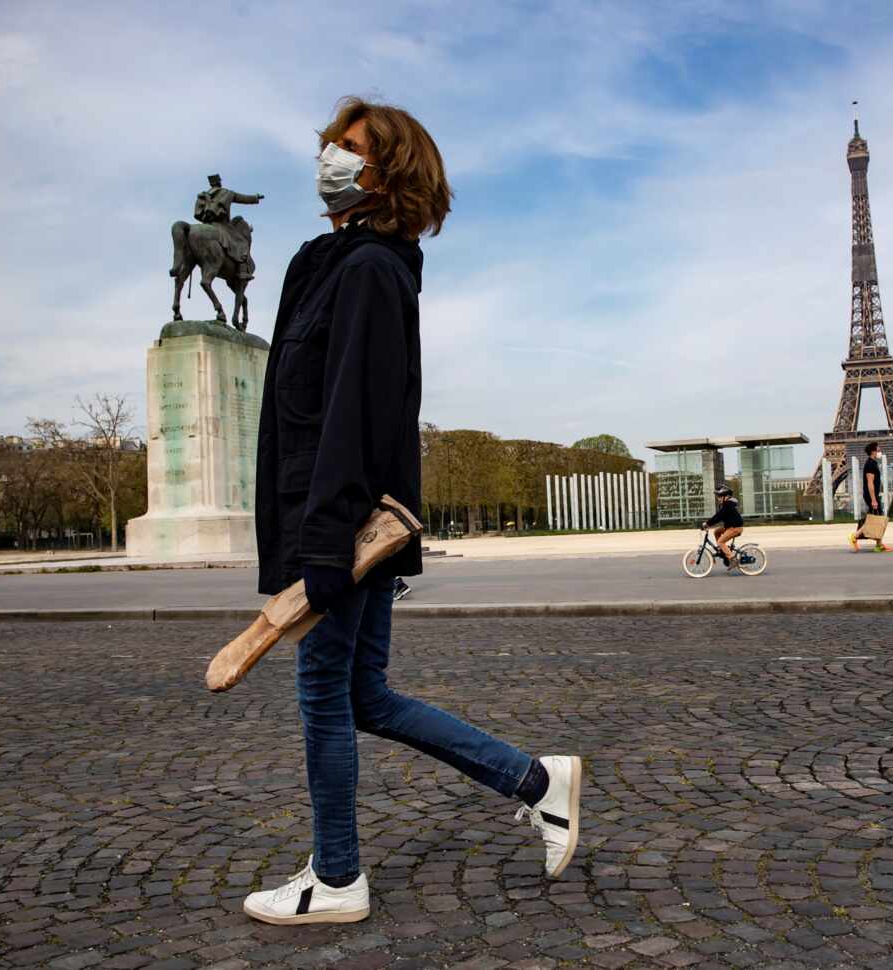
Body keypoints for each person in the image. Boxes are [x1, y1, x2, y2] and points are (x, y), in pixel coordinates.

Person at [244, 98, 582, 927]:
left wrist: (319, 551)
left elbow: (350, 417)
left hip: (339, 527)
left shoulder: (367, 270)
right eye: (330, 142)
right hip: (338, 519)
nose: (329, 155)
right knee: (362, 693)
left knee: (326, 695)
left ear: (386, 173)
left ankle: (338, 878)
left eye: (349, 147)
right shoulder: (333, 263)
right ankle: (537, 781)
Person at [849, 441, 892, 552]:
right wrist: (873, 499)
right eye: (878, 449)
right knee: (875, 519)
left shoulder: (873, 462)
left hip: (873, 495)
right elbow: (870, 482)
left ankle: (879, 544)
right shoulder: (870, 464)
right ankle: (855, 536)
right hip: (871, 496)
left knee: (877, 518)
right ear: (873, 451)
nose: (879, 451)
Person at [703, 483, 745, 573]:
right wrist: (709, 524)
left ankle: (733, 559)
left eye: (719, 496)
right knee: (716, 532)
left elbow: (718, 516)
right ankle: (722, 550)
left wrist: (707, 523)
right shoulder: (726, 504)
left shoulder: (728, 505)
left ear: (725, 496)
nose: (718, 498)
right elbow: (719, 516)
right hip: (730, 526)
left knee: (721, 541)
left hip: (735, 528)